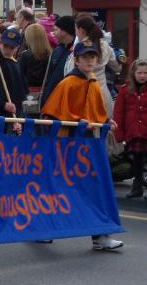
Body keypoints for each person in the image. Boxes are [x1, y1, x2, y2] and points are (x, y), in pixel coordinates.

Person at [41, 40, 123, 250]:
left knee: (95, 190)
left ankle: (100, 236)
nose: (89, 61)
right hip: (68, 145)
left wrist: (105, 121)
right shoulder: (67, 84)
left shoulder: (94, 82)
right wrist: (75, 122)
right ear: (76, 60)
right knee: (60, 189)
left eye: (92, 57)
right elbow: (51, 114)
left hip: (89, 146)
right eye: (85, 57)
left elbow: (96, 111)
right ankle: (44, 229)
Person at [64, 14, 121, 118]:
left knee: (87, 129)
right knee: (103, 127)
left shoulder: (81, 48)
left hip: (83, 95)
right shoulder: (105, 45)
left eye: (76, 29)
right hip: (103, 93)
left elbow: (70, 71)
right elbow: (117, 67)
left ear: (81, 30)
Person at [113, 59, 147, 198]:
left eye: (145, 73)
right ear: (133, 73)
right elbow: (119, 113)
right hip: (133, 132)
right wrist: (119, 134)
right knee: (136, 161)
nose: (143, 76)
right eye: (140, 72)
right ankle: (137, 186)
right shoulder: (125, 90)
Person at [40, 15, 76, 107]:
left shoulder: (76, 52)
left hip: (65, 102)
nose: (53, 33)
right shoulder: (57, 50)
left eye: (56, 30)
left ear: (64, 31)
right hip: (51, 100)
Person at [19, 24, 52, 117]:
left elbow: (20, 76)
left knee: (28, 121)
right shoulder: (50, 55)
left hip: (28, 94)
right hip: (45, 94)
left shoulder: (25, 55)